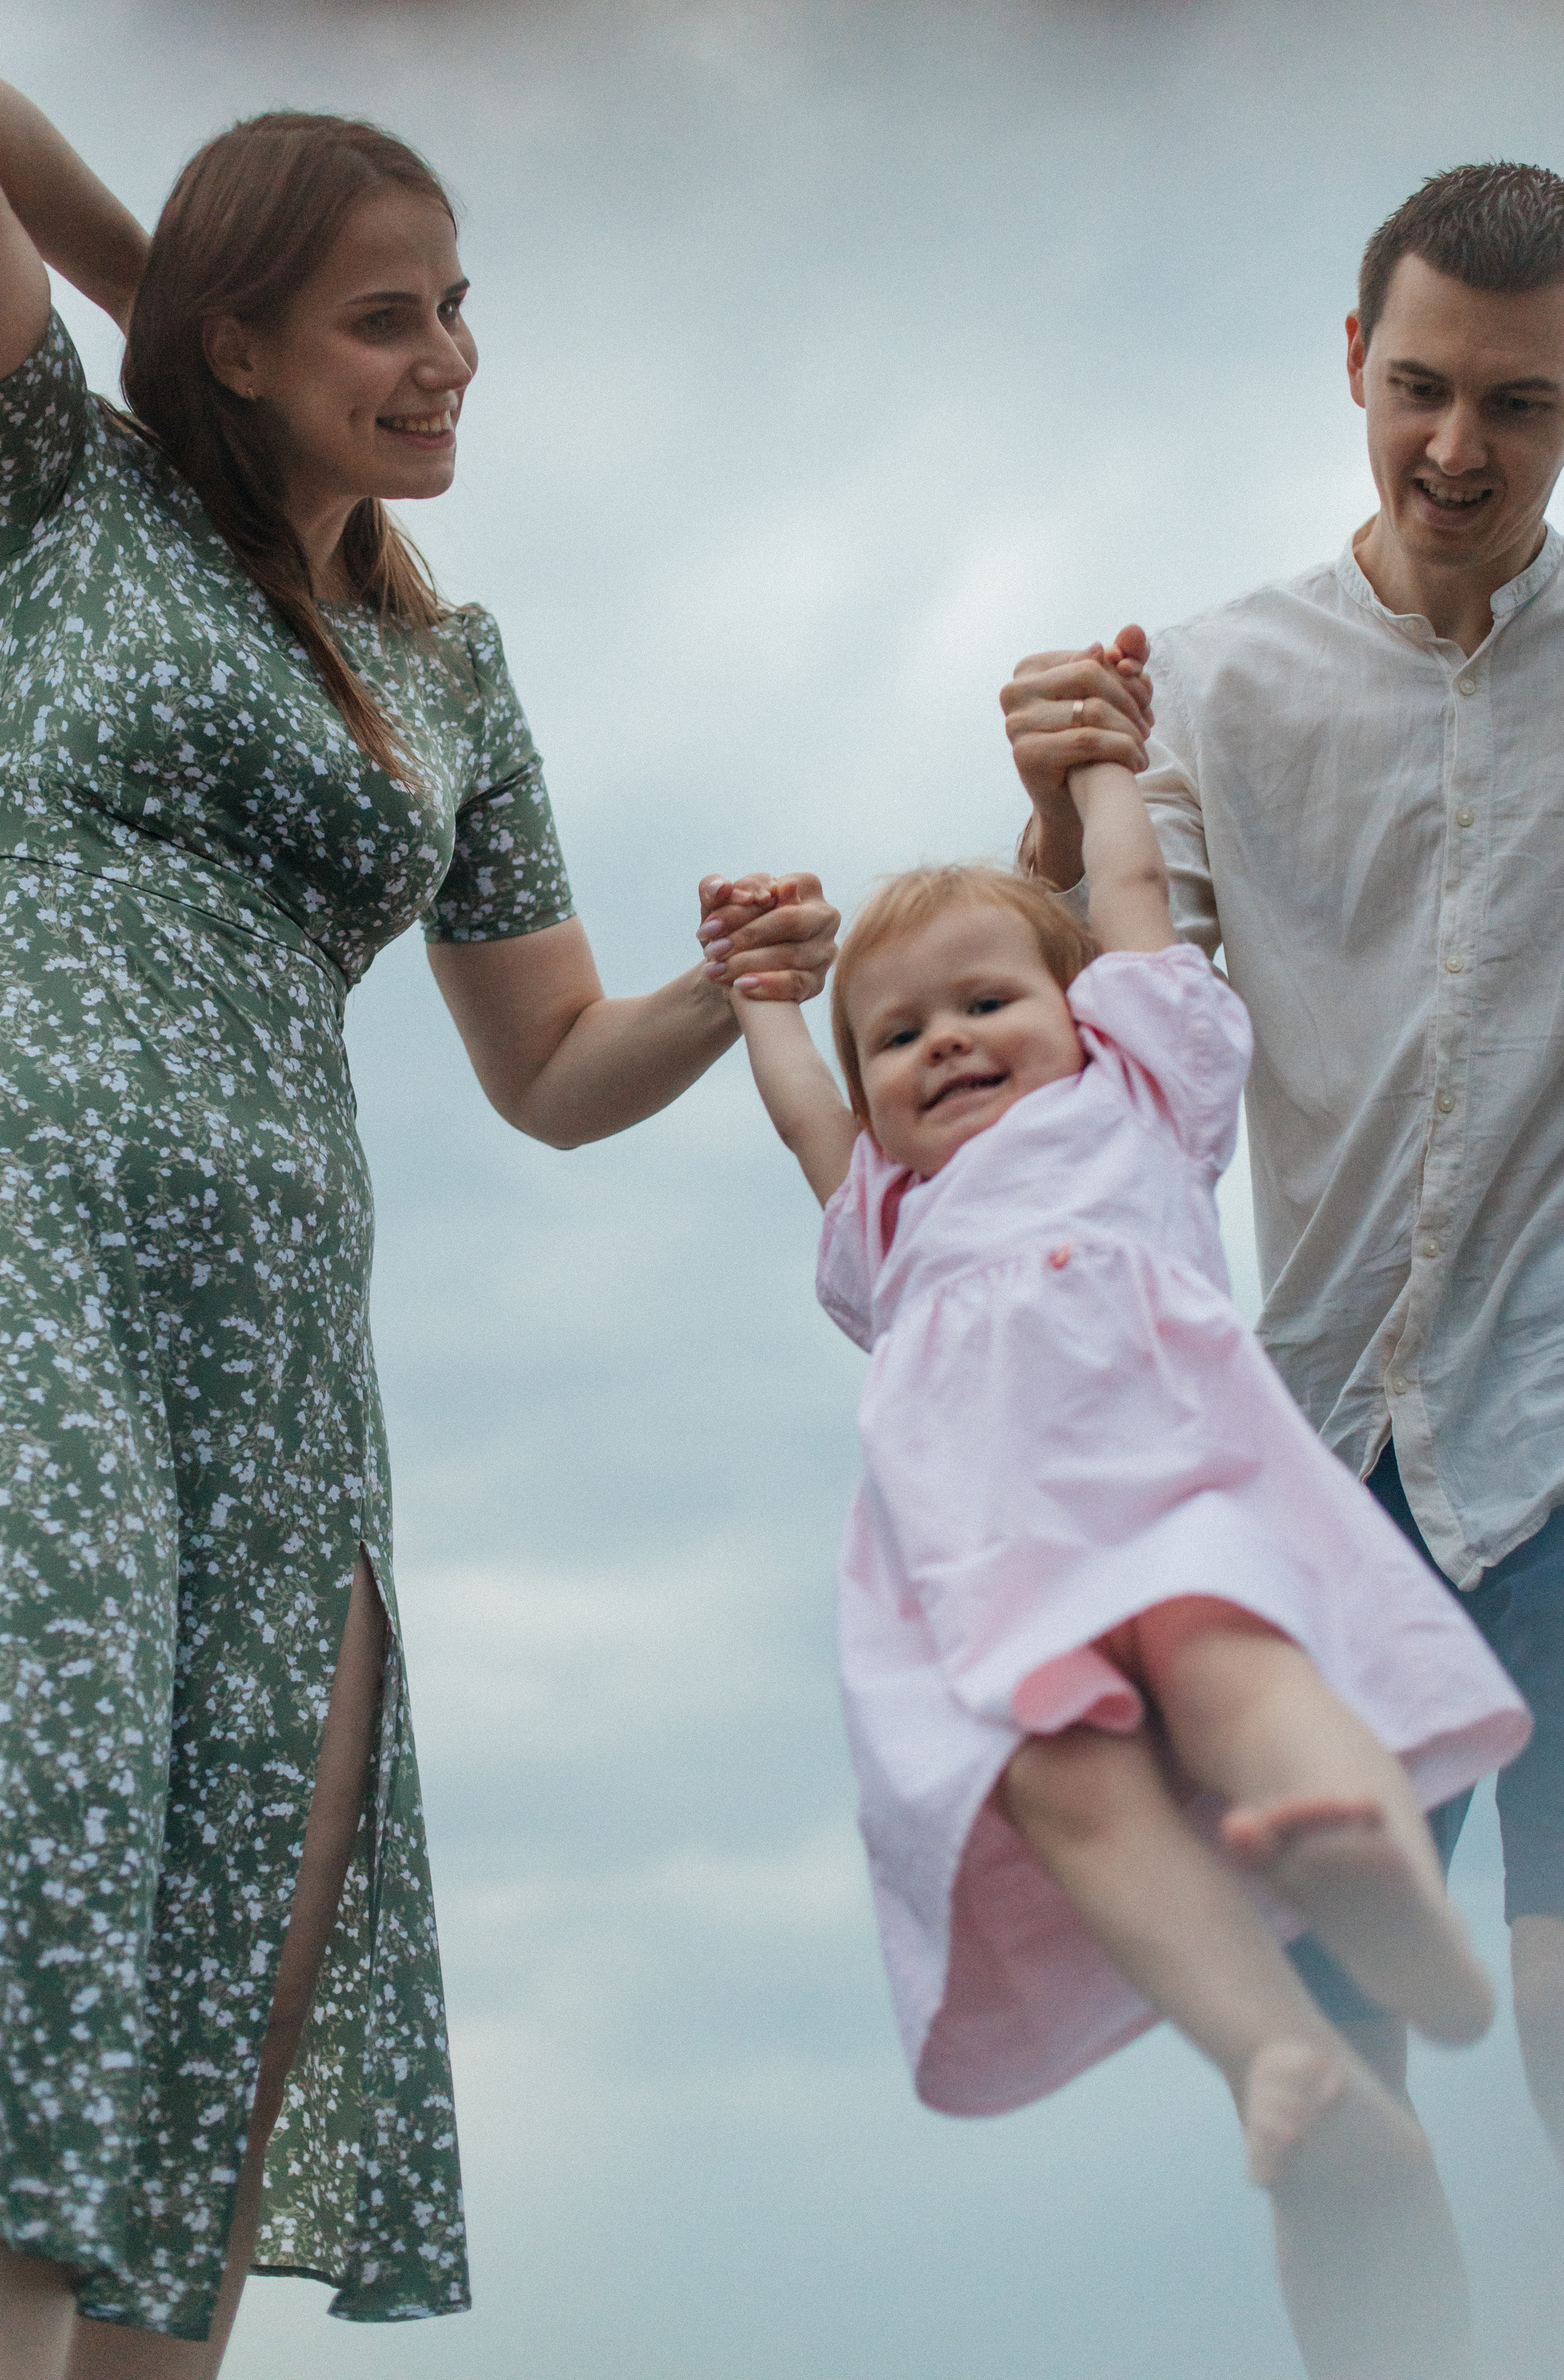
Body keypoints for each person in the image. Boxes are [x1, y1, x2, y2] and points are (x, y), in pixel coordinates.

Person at [0, 89, 838, 2380]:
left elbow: (549, 1068)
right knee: (50, 1841)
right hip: (32, 1248)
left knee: (243, 1961)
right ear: (242, 344)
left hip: (280, 1347)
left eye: (459, 305)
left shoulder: (456, 673)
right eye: (386, 318)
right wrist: (150, 284)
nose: (451, 353)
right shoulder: (65, 492)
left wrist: (727, 991)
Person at [722, 756, 1528, 2380]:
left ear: (1085, 1015)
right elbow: (808, 1113)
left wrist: (1102, 769)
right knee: (1059, 1789)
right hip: (993, 1570)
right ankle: (1285, 2054)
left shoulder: (1137, 1098)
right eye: (900, 1035)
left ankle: (1404, 1926)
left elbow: (1144, 909)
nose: (943, 1041)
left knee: (1233, 1673)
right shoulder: (888, 1218)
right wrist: (764, 999)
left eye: (984, 1002)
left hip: (1172, 1490)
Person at [1003, 161, 1564, 2184]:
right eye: (1421, 386)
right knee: (1344, 2112)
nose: (1456, 447)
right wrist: (1054, 836)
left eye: (1521, 403)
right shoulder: (1218, 688)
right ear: (1351, 359)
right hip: (1324, 1470)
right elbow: (1081, 1045)